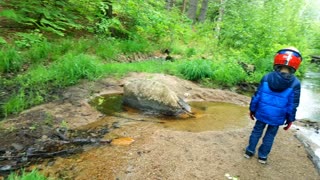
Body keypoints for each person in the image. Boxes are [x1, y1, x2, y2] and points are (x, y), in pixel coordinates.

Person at [244, 47, 302, 164]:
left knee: (256, 131)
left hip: (262, 112)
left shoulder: (267, 77)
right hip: (278, 116)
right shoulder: (295, 83)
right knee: (270, 136)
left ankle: (249, 152)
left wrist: (252, 109)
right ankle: (263, 157)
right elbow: (292, 105)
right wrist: (290, 119)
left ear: (277, 60)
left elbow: (257, 95)